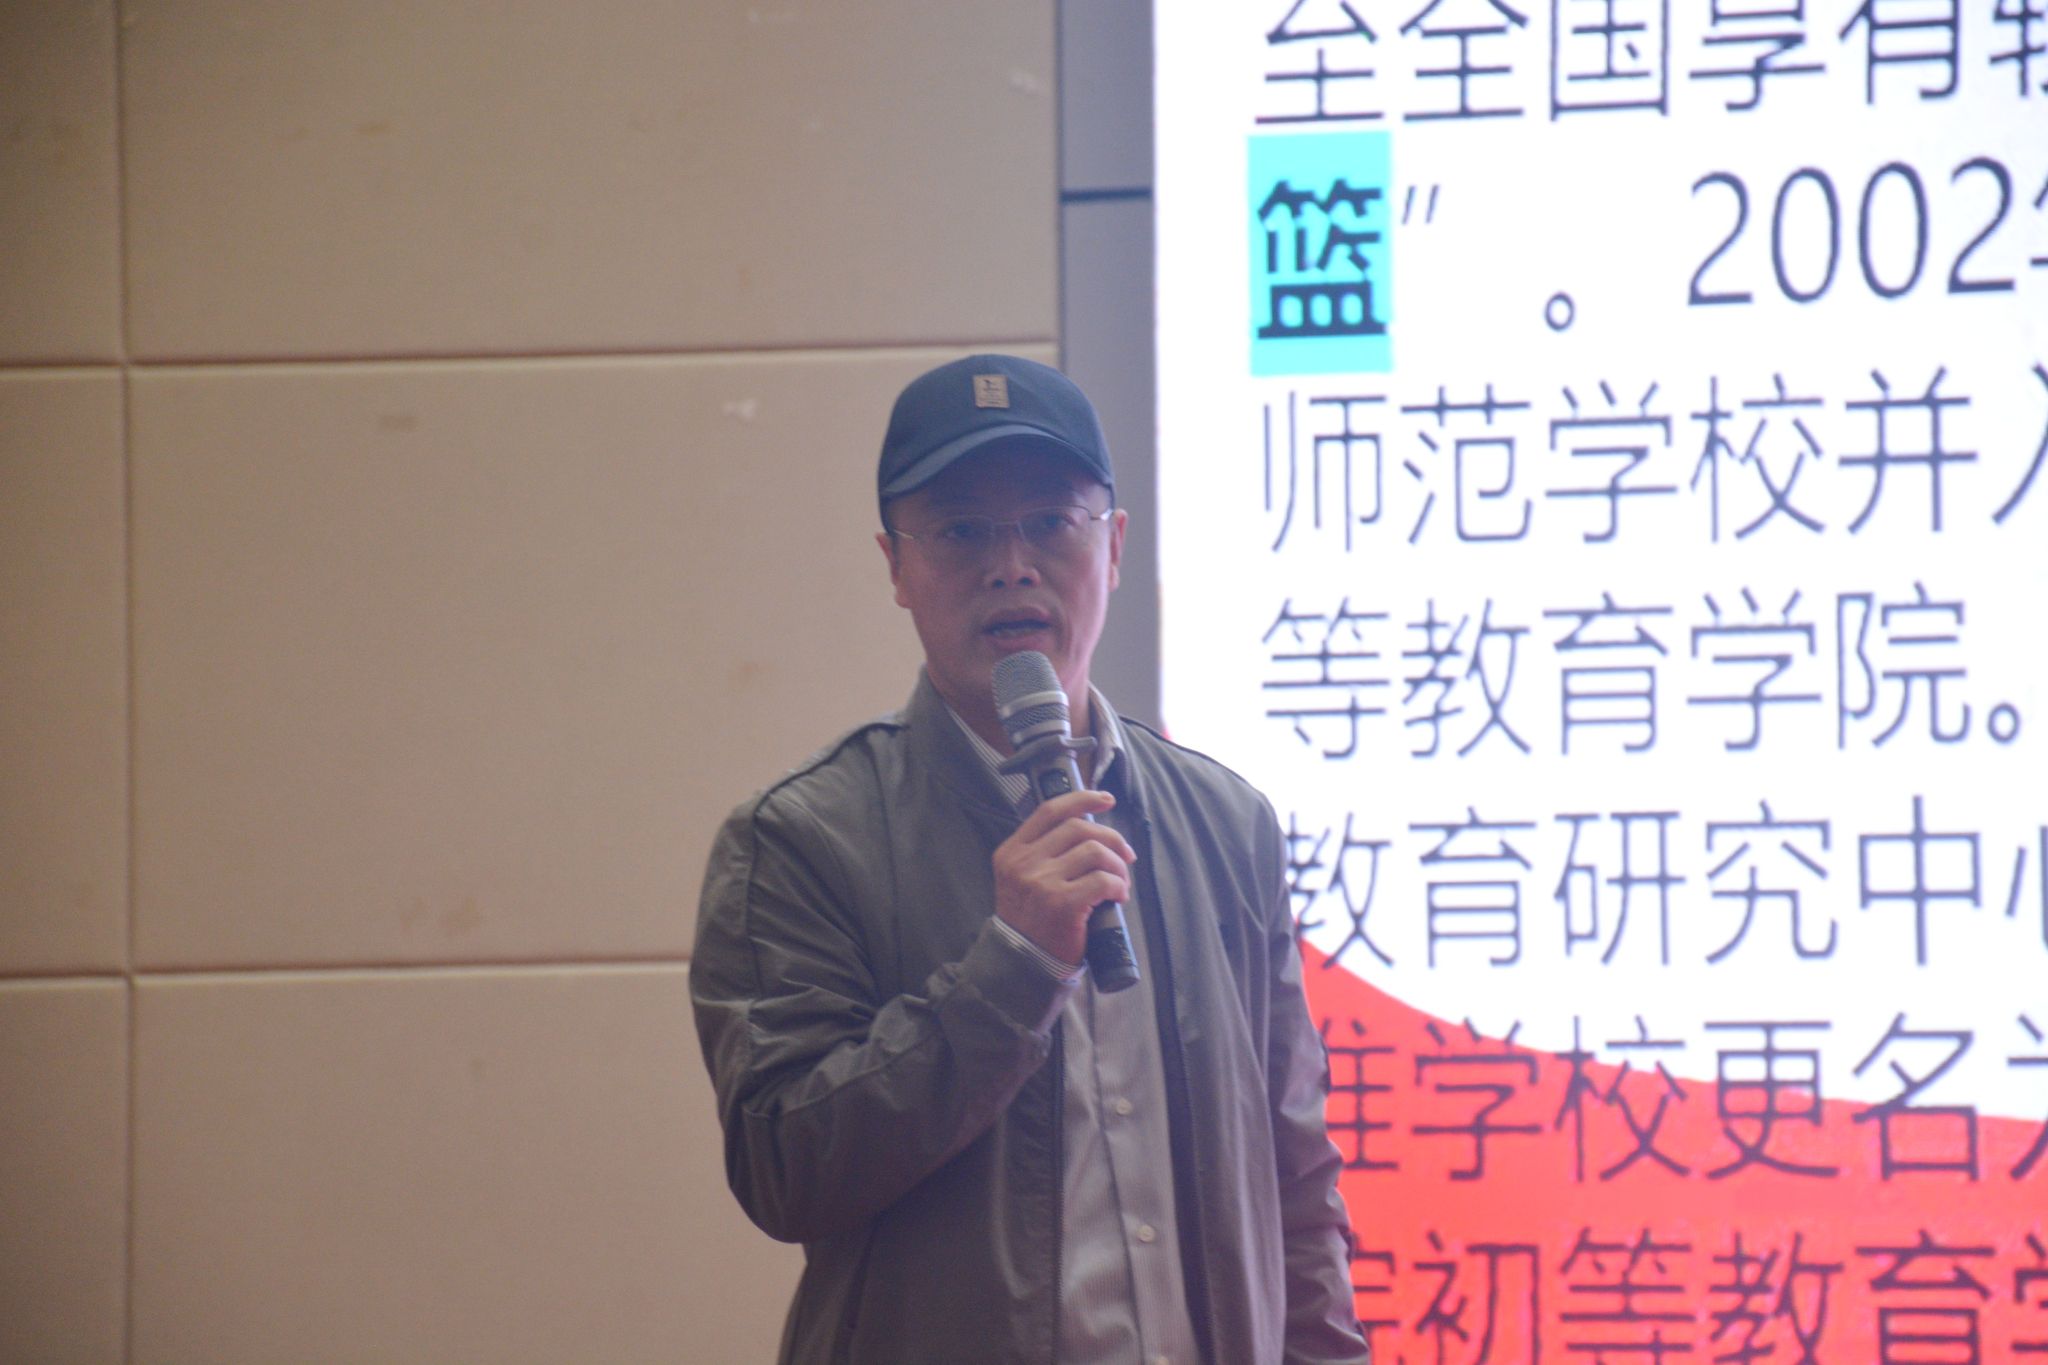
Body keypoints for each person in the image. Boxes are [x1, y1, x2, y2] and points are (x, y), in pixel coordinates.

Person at [691, 354, 1371, 1364]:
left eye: (1050, 522)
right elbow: (783, 1166)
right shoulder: (799, 838)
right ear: (895, 567)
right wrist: (1011, 967)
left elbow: (1295, 1181)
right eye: (962, 530)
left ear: (1114, 545)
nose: (1010, 565)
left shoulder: (1227, 824)